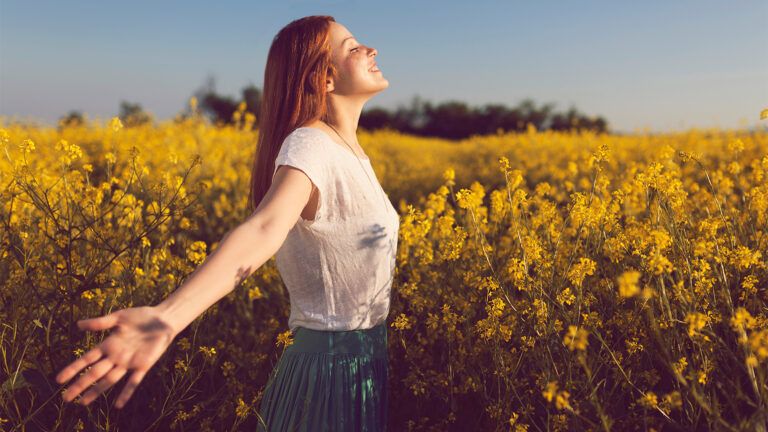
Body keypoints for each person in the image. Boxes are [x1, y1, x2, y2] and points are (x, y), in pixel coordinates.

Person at [55, 15, 397, 431]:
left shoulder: (351, 152)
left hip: (364, 364)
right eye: (352, 47)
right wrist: (169, 318)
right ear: (323, 78)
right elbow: (263, 229)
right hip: (326, 372)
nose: (370, 49)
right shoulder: (311, 144)